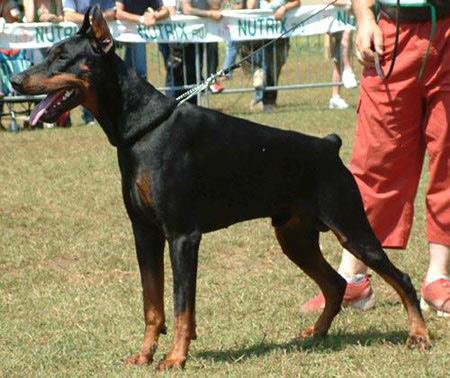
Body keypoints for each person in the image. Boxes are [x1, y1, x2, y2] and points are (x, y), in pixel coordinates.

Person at [302, 0, 450, 316]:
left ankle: (439, 277)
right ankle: (352, 278)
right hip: (391, 35)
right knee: (374, 161)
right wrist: (364, 15)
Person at [62, 0, 115, 125]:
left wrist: (98, 18)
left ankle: (104, 113)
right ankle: (87, 116)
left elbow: (112, 13)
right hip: (80, 47)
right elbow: (69, 16)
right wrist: (95, 19)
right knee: (84, 79)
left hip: (99, 46)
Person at [247, 0, 300, 113]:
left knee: (275, 68)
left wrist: (284, 8)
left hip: (281, 35)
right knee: (267, 67)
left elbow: (296, 2)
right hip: (261, 36)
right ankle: (264, 101)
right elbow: (250, 8)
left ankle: (266, 100)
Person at [115, 0, 169, 81]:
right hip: (116, 32)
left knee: (136, 71)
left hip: (137, 34)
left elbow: (165, 11)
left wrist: (155, 16)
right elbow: (118, 13)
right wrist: (142, 19)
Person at [181, 0, 225, 95]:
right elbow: (187, 10)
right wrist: (208, 13)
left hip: (208, 30)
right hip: (189, 31)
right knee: (193, 64)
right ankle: (198, 86)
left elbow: (216, 6)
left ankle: (211, 80)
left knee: (212, 52)